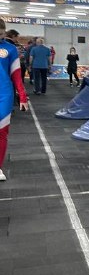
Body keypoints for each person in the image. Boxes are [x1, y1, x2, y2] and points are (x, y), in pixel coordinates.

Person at [0, 19, 29, 181]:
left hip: (4, 94)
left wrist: (22, 96)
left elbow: (17, 75)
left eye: (1, 34)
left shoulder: (10, 49)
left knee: (2, 132)